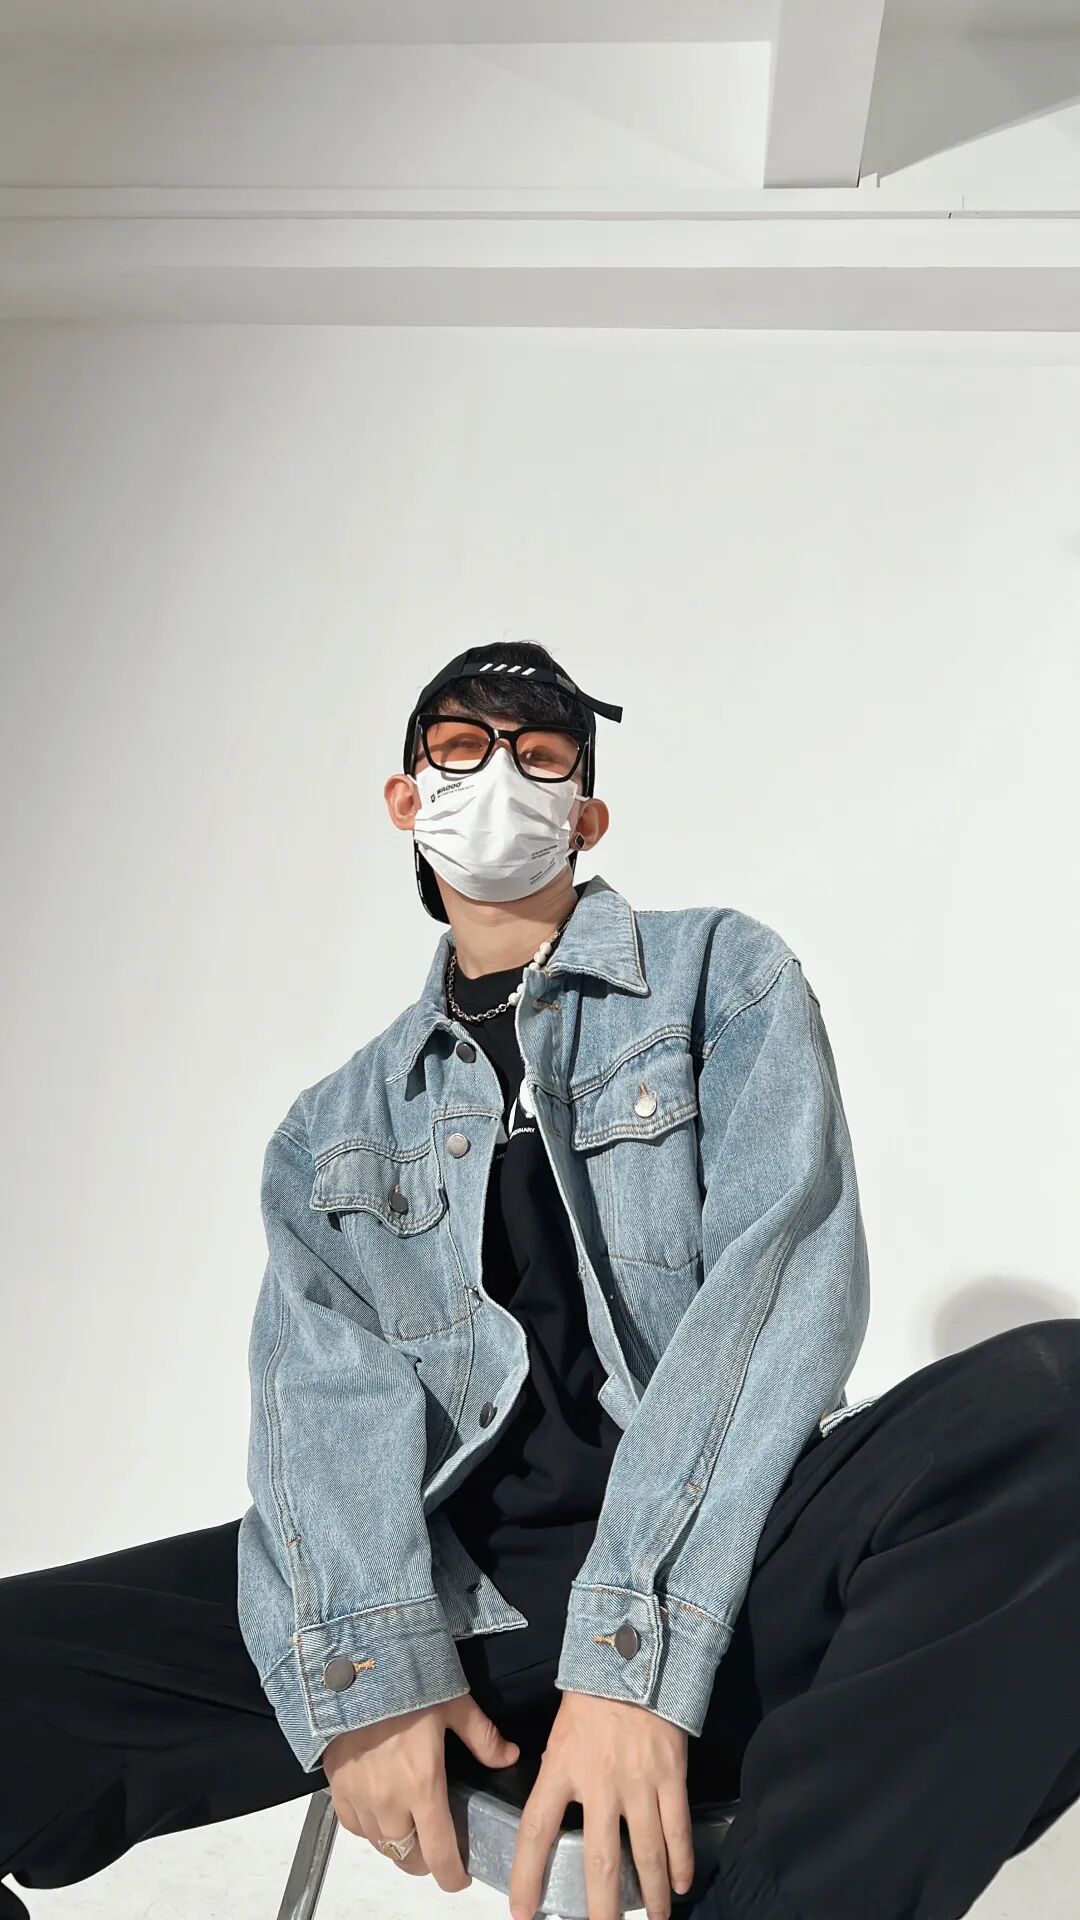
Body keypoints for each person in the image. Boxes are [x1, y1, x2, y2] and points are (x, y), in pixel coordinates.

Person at [1, 639, 1078, 1920]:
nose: (499, 777)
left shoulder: (720, 979)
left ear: (586, 814)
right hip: (455, 1598)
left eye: (541, 755)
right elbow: (324, 1416)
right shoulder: (331, 1128)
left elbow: (773, 1298)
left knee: (1056, 1402)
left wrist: (633, 1658)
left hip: (728, 1560)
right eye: (462, 750)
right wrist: (373, 1672)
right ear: (407, 798)